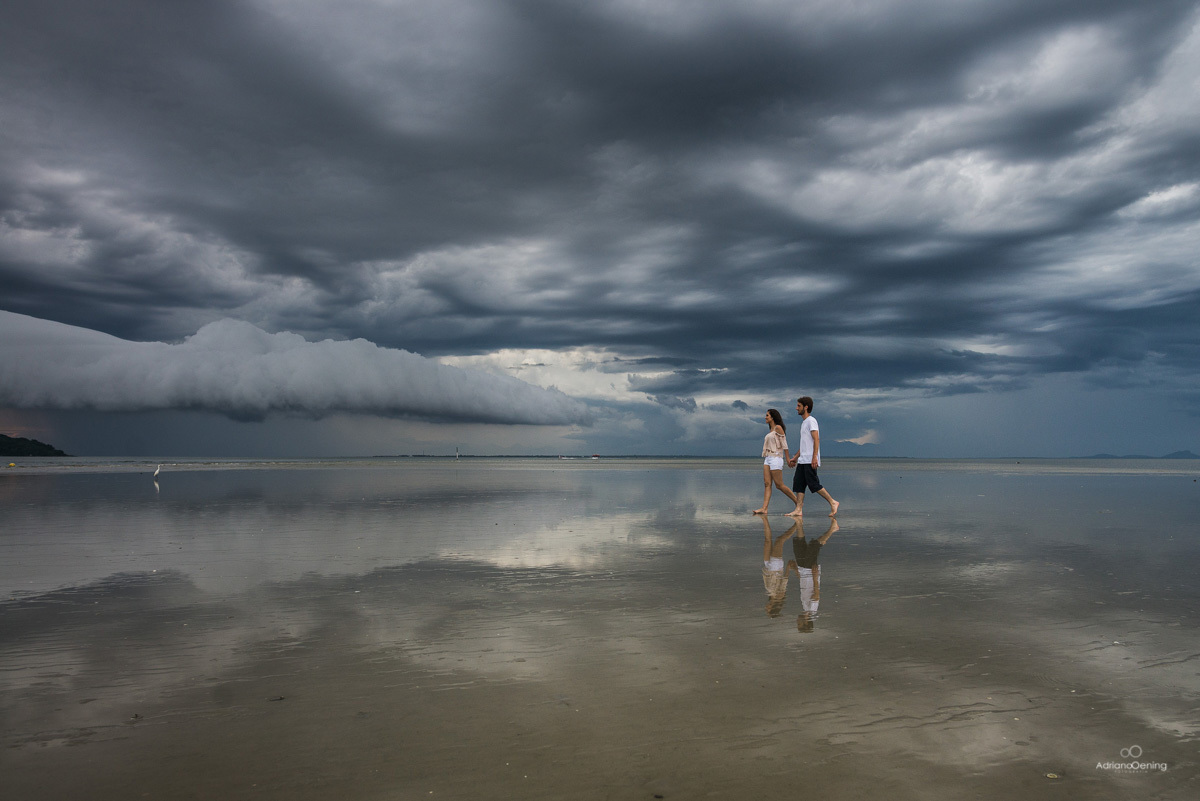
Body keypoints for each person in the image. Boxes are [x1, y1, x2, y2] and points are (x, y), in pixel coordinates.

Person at [786, 396, 840, 517]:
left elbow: (816, 439)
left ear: (806, 407)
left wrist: (814, 457)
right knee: (798, 483)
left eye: (798, 406)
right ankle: (798, 509)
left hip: (810, 459)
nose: (796, 408)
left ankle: (833, 502)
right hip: (803, 459)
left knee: (813, 484)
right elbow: (805, 444)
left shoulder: (811, 421)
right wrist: (795, 457)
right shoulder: (804, 423)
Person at [754, 408, 803, 516]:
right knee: (767, 484)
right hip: (768, 458)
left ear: (772, 417)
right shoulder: (771, 430)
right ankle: (764, 508)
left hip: (776, 458)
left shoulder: (778, 428)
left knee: (779, 485)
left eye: (767, 415)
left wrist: (788, 460)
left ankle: (798, 503)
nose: (765, 417)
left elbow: (784, 445)